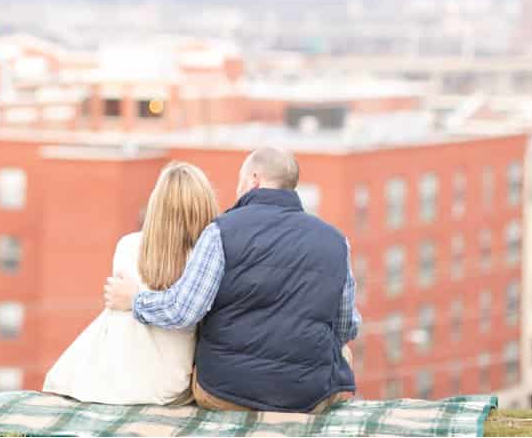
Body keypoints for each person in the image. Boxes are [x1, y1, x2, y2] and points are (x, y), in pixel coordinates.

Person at [104, 146, 360, 413]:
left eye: (240, 181)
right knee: (343, 355)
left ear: (254, 180)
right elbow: (345, 327)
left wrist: (135, 300)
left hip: (226, 392)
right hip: (308, 397)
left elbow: (183, 312)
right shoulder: (336, 242)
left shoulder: (220, 232)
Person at [43, 161, 220, 405]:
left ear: (157, 206)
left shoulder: (128, 246)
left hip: (121, 380)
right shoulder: (207, 260)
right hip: (171, 384)